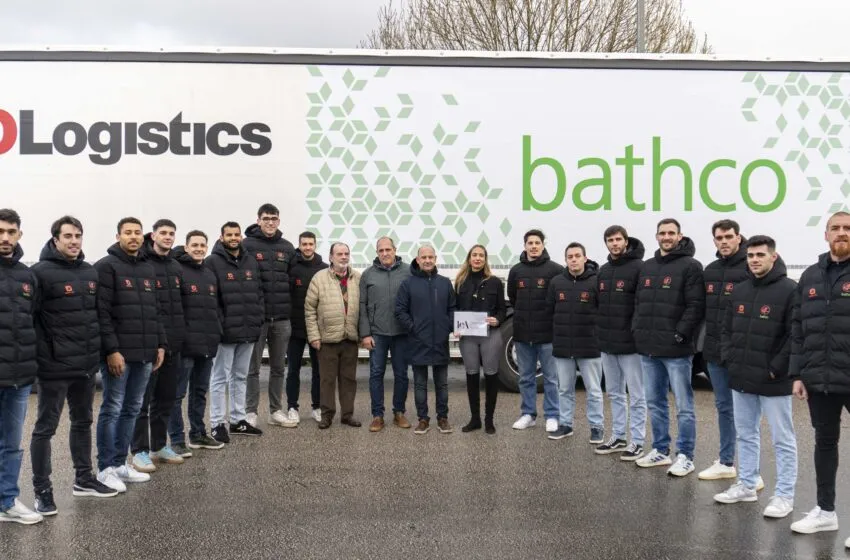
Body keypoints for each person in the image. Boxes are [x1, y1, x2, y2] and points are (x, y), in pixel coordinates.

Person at [30, 216, 117, 517]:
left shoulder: (89, 272)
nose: (74, 241)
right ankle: (42, 490)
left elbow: (97, 316)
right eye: (67, 236)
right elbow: (30, 319)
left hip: (85, 365)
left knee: (83, 422)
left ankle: (84, 479)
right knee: (45, 429)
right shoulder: (39, 273)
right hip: (54, 367)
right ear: (55, 239)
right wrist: (41, 356)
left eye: (78, 235)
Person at [714, 235, 797, 519]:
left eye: (760, 255)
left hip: (774, 380)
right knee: (746, 434)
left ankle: (784, 496)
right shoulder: (739, 290)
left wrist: (776, 368)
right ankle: (747, 485)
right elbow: (726, 329)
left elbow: (794, 335)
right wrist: (730, 358)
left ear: (773, 256)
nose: (754, 260)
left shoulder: (789, 290)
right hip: (741, 376)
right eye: (750, 256)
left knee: (782, 439)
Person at [789, 211, 850, 540]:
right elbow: (798, 327)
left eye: (847, 228)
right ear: (825, 235)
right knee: (825, 443)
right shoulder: (811, 276)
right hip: (820, 379)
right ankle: (826, 512)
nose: (841, 233)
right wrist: (798, 373)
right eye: (835, 228)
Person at [95, 217, 166, 490]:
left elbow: (155, 311)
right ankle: (105, 468)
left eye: (137, 232)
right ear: (118, 236)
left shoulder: (148, 268)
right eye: (128, 232)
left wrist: (160, 344)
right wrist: (112, 350)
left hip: (145, 353)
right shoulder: (106, 266)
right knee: (112, 408)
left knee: (132, 409)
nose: (133, 237)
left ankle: (120, 464)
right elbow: (102, 313)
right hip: (120, 356)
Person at [633, 218, 705, 477]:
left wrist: (680, 334)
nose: (666, 237)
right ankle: (661, 450)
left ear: (679, 236)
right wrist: (637, 330)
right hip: (649, 348)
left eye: (671, 233)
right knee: (655, 402)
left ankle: (685, 455)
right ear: (656, 236)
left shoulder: (691, 266)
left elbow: (695, 305)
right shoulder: (648, 266)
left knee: (684, 406)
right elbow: (639, 303)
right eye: (662, 233)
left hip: (676, 350)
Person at [131, 220, 187, 471]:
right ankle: (139, 451)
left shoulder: (175, 266)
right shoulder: (144, 264)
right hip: (151, 345)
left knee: (165, 399)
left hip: (174, 344)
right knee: (142, 402)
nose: (167, 237)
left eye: (171, 233)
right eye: (163, 233)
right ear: (152, 236)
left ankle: (159, 445)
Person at [0, 209, 42, 524]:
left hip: (19, 376)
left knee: (11, 445)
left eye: (11, 232)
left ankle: (6, 501)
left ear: (19, 235)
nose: (5, 237)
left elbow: (34, 321)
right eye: (0, 231)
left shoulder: (28, 276)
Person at [699, 219, 749, 482]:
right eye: (719, 238)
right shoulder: (710, 270)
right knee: (724, 407)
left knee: (747, 411)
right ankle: (727, 461)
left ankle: (751, 471)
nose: (724, 241)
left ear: (738, 237)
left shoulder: (750, 266)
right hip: (715, 352)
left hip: (742, 353)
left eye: (729, 236)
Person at [206, 222, 265, 442]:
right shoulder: (212, 262)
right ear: (221, 237)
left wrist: (258, 318)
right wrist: (220, 325)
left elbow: (258, 293)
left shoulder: (250, 261)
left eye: (236, 234)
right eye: (229, 234)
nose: (233, 238)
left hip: (248, 330)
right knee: (220, 378)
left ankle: (238, 420)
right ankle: (217, 424)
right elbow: (211, 298)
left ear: (241, 236)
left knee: (240, 376)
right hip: (226, 332)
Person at [168, 231, 225, 453]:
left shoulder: (209, 274)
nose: (199, 249)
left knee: (200, 392)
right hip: (185, 346)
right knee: (177, 395)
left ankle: (198, 434)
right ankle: (177, 440)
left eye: (203, 245)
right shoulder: (178, 271)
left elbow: (216, 308)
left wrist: (217, 330)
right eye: (195, 245)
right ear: (186, 247)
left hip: (207, 343)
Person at [595, 226, 646, 460]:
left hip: (630, 345)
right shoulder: (603, 271)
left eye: (618, 239)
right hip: (608, 343)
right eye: (610, 240)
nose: (614, 243)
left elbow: (642, 305)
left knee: (636, 395)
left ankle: (638, 441)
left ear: (626, 241)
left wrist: (635, 332)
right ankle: (618, 436)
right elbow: (598, 305)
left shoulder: (639, 268)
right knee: (614, 393)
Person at [243, 203, 295, 428]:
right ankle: (250, 412)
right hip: (257, 319)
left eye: (274, 218)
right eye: (266, 218)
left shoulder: (287, 247)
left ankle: (276, 411)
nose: (270, 222)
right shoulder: (247, 245)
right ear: (258, 220)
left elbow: (292, 281)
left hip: (281, 319)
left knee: (278, 368)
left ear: (279, 221)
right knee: (252, 369)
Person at [507, 229, 564, 433]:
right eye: (530, 243)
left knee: (551, 378)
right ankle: (528, 414)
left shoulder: (555, 270)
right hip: (523, 334)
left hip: (547, 334)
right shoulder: (516, 271)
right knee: (526, 378)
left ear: (543, 245)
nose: (533, 246)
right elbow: (513, 297)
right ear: (525, 246)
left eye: (537, 243)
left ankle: (552, 415)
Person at [396, 245, 456, 435]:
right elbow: (400, 310)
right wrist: (413, 328)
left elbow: (452, 308)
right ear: (418, 260)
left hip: (440, 342)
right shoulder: (408, 284)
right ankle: (423, 419)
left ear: (435, 259)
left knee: (442, 384)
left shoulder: (445, 283)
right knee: (420, 384)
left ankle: (443, 418)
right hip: (417, 342)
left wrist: (447, 327)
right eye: (424, 257)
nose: (428, 260)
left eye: (431, 257)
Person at [547, 243, 604, 443]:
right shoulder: (556, 282)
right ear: (565, 260)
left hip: (590, 346)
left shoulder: (596, 282)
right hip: (563, 346)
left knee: (594, 390)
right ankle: (566, 425)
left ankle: (597, 427)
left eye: (577, 256)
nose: (573, 259)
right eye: (570, 256)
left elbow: (603, 312)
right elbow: (549, 311)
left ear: (585, 258)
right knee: (564, 389)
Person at [305, 242, 362, 429]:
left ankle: (347, 415)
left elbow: (364, 308)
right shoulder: (319, 278)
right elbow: (309, 309)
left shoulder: (357, 278)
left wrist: (362, 335)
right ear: (331, 257)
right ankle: (327, 415)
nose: (343, 257)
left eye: (346, 253)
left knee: (349, 380)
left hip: (350, 338)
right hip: (327, 340)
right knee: (327, 380)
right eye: (339, 254)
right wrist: (314, 336)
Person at [360, 237, 412, 432]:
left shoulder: (408, 271)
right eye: (381, 250)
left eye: (388, 249)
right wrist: (365, 334)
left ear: (395, 250)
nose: (385, 253)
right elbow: (362, 306)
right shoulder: (368, 275)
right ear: (377, 253)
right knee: (376, 374)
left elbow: (415, 300)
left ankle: (399, 412)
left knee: (401, 374)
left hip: (401, 333)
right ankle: (377, 415)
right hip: (377, 334)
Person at [454, 244, 506, 434]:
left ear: (485, 259)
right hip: (468, 337)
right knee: (472, 375)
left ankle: (489, 420)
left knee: (491, 375)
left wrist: (497, 319)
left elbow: (502, 309)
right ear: (469, 258)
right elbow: (454, 308)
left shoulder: (495, 282)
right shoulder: (460, 282)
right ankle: (475, 419)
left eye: (481, 255)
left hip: (490, 335)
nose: (477, 258)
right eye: (474, 255)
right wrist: (456, 326)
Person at [284, 231, 328, 426]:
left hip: (317, 330)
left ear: (315, 245)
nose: (307, 247)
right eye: (304, 244)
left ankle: (317, 407)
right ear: (299, 245)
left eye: (311, 244)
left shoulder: (324, 268)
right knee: (293, 370)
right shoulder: (291, 267)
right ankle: (292, 407)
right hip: (295, 328)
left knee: (318, 371)